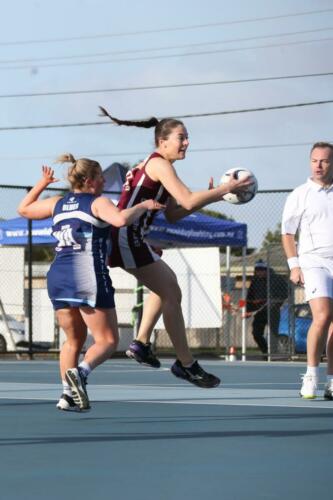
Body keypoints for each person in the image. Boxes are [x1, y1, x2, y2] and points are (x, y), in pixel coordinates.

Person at [100, 106, 253, 388]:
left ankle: (142, 343)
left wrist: (218, 197)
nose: (186, 143)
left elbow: (174, 213)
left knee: (167, 287)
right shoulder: (159, 164)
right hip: (124, 235)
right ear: (163, 142)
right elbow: (189, 199)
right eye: (181, 137)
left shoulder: (159, 166)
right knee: (171, 291)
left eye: (187, 137)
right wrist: (225, 189)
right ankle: (186, 364)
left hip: (129, 236)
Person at [17, 157, 164, 411]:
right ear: (88, 181)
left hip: (58, 276)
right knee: (107, 341)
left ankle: (67, 395)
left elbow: (24, 210)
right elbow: (119, 220)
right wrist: (143, 205)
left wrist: (42, 183)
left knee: (73, 340)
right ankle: (81, 373)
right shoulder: (98, 203)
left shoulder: (57, 203)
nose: (104, 181)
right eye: (100, 177)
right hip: (86, 275)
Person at [281, 141, 333, 399]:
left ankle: (332, 382)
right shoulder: (300, 194)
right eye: (315, 160)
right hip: (313, 262)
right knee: (322, 317)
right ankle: (311, 375)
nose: (319, 165)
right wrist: (294, 266)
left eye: (324, 160)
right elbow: (288, 234)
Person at [245, 259, 288, 355]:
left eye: (262, 270)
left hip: (272, 310)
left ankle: (273, 354)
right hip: (259, 311)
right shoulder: (255, 281)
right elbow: (250, 296)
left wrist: (276, 302)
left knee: (273, 333)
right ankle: (265, 352)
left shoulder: (276, 279)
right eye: (258, 270)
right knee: (256, 333)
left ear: (267, 269)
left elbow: (285, 292)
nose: (260, 272)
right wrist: (248, 310)